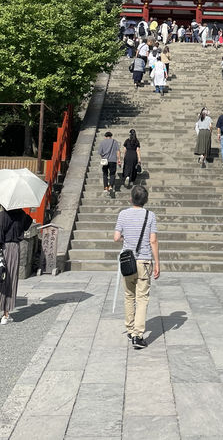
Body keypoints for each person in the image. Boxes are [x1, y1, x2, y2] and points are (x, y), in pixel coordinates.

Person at [114, 185, 160, 349]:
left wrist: (127, 239)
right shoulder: (150, 216)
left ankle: (130, 328)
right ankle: (138, 335)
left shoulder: (123, 214)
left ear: (130, 198)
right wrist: (157, 263)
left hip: (128, 261)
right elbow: (153, 240)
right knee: (142, 298)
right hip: (144, 261)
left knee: (129, 296)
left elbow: (116, 237)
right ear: (145, 200)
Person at [0, 206, 33, 326]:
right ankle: (6, 314)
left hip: (3, 248)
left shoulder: (3, 215)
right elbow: (27, 224)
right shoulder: (22, 215)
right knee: (10, 280)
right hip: (15, 248)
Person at [99, 131, 121, 196]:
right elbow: (118, 151)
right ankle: (111, 186)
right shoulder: (115, 142)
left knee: (105, 174)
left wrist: (103, 156)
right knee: (112, 174)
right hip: (113, 160)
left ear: (105, 136)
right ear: (111, 136)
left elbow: (100, 152)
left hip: (105, 161)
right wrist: (119, 159)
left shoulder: (102, 142)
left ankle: (105, 187)